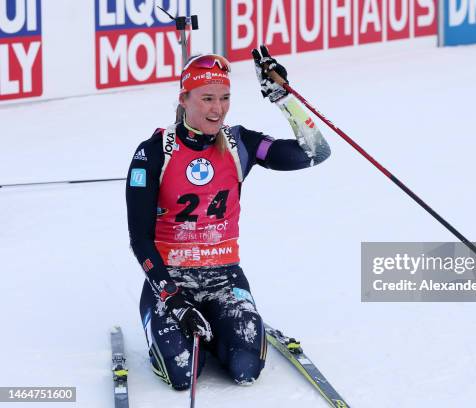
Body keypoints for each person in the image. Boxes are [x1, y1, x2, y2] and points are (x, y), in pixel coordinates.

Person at [125, 46, 330, 390]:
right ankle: (163, 324)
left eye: (224, 98)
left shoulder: (240, 144)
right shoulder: (153, 152)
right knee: (182, 375)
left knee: (246, 368)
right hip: (172, 281)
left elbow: (315, 152)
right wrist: (173, 300)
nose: (217, 109)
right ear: (185, 98)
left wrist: (285, 99)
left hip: (224, 278)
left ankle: (219, 329)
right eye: (206, 98)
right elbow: (140, 239)